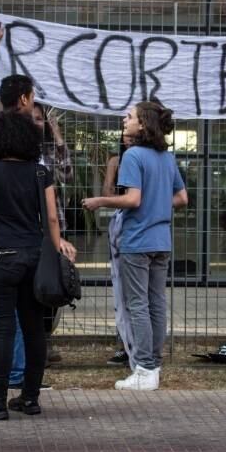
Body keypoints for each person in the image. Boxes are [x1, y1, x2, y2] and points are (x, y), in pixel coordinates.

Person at [0, 111, 69, 420]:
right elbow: (50, 217)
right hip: (33, 257)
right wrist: (58, 244)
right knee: (34, 328)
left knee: (3, 329)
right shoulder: (40, 173)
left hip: (0, 258)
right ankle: (30, 397)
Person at [83, 102, 188, 391]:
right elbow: (182, 198)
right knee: (156, 303)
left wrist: (100, 201)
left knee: (137, 304)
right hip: (161, 241)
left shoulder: (133, 156)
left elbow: (132, 200)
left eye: (129, 116)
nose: (124, 119)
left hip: (137, 240)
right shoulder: (166, 158)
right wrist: (157, 204)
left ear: (142, 124)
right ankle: (153, 364)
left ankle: (143, 368)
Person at [32, 102, 74, 365]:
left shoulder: (49, 150)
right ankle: (34, 342)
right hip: (30, 229)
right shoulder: (18, 150)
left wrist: (57, 135)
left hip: (54, 227)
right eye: (32, 118)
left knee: (50, 285)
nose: (36, 123)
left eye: (40, 119)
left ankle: (45, 339)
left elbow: (68, 176)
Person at [103, 133, 133, 367]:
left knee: (139, 294)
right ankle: (124, 344)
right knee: (121, 289)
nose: (128, 139)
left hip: (139, 226)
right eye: (125, 136)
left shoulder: (148, 158)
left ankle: (140, 348)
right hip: (122, 221)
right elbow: (107, 192)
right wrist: (124, 199)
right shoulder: (117, 161)